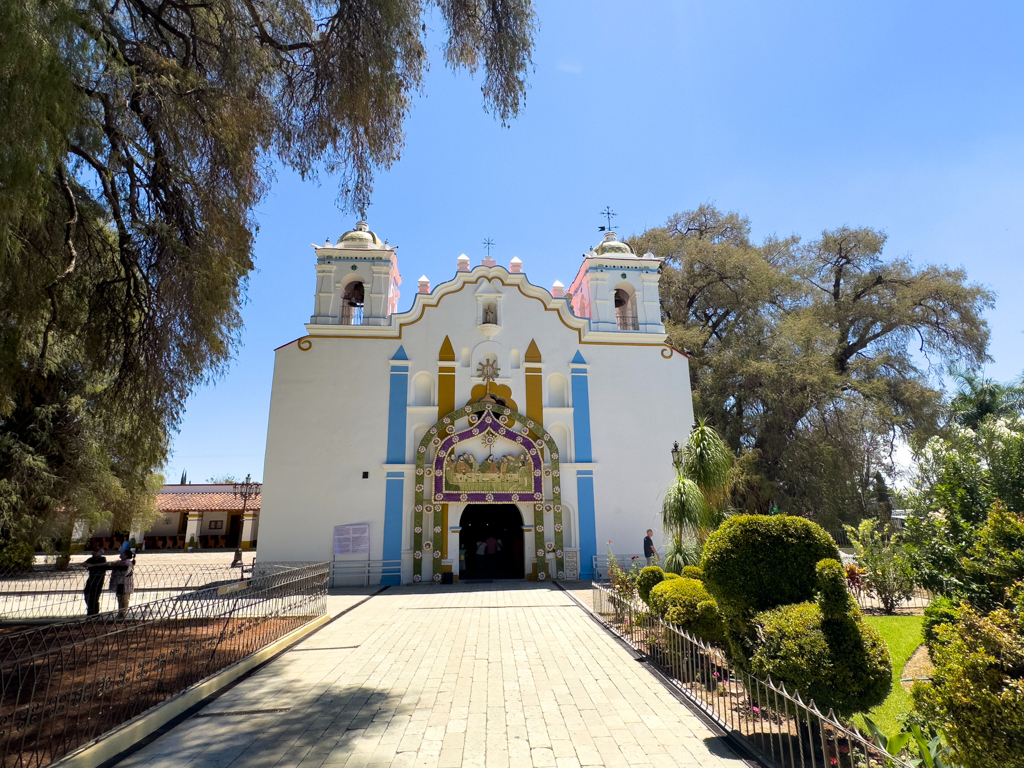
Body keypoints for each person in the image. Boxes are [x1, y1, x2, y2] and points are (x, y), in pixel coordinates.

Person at [108, 550, 135, 618]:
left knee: (124, 598)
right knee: (120, 597)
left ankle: (123, 613)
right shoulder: (121, 562)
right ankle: (120, 613)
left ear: (126, 555)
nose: (120, 554)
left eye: (122, 554)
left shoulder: (127, 563)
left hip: (124, 584)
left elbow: (124, 572)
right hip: (119, 583)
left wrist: (115, 567)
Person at [82, 547, 108, 615]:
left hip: (99, 578)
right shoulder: (91, 559)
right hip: (91, 577)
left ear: (101, 553)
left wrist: (92, 565)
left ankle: (94, 611)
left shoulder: (102, 559)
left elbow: (104, 564)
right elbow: (84, 563)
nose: (95, 552)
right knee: (87, 592)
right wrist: (86, 564)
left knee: (95, 595)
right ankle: (90, 609)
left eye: (97, 551)